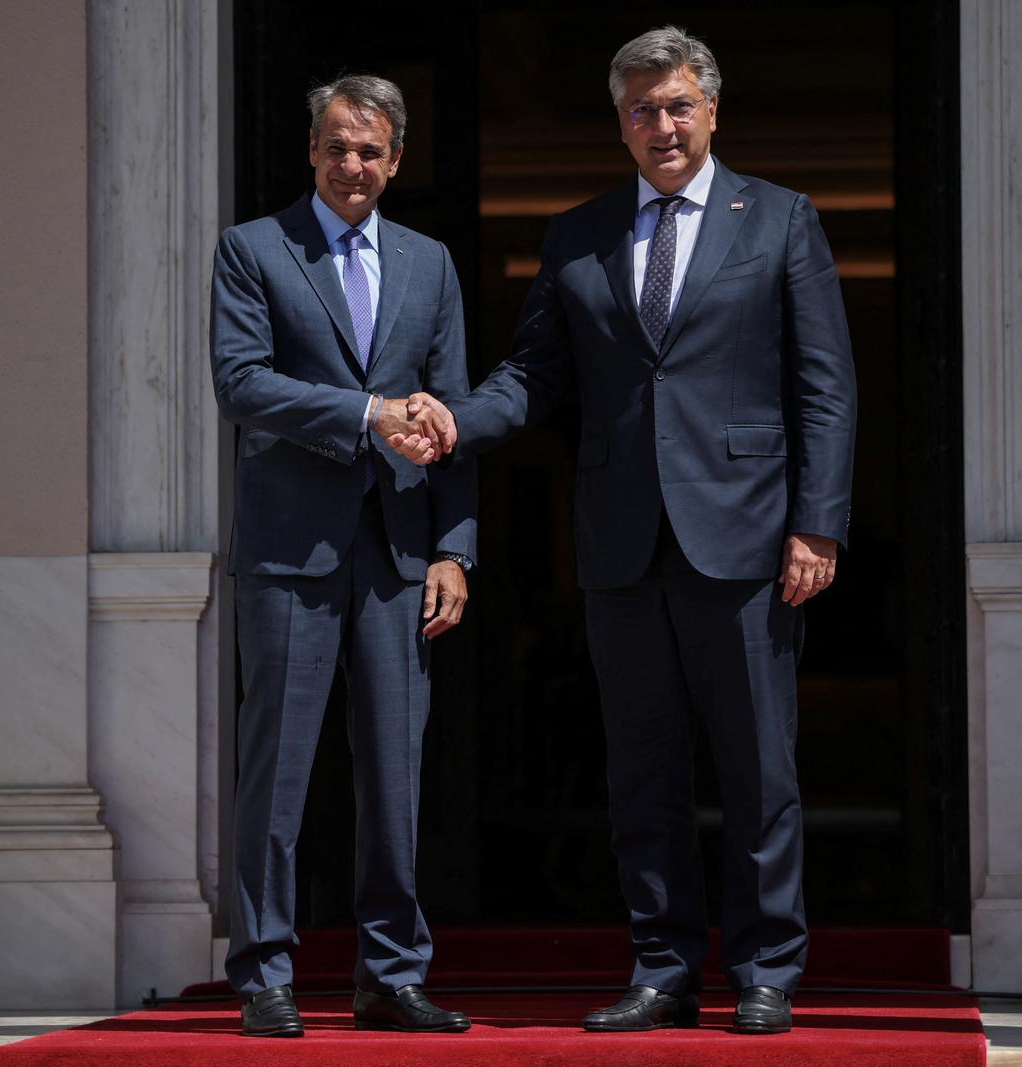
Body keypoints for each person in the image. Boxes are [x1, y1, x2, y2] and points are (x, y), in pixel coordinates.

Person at [386, 26, 855, 1035]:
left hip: (744, 537)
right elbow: (536, 374)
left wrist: (816, 524)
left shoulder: (778, 219)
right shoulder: (579, 234)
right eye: (641, 109)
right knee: (640, 769)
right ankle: (663, 966)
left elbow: (824, 388)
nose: (661, 125)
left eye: (678, 104)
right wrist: (459, 417)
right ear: (619, 122)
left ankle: (767, 968)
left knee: (757, 766)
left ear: (712, 109)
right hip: (619, 540)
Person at [210, 73, 473, 1038]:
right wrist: (366, 413)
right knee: (276, 769)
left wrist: (456, 547)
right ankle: (264, 973)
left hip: (401, 554)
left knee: (395, 771)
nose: (351, 164)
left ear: (395, 160)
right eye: (335, 146)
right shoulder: (253, 249)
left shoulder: (429, 262)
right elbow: (241, 383)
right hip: (291, 552)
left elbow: (450, 413)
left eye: (369, 150)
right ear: (310, 153)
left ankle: (390, 974)